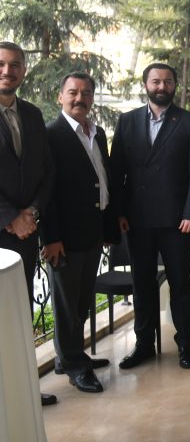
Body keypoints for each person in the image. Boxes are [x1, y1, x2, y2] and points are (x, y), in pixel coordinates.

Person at [110, 63, 190, 370]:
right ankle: (143, 345)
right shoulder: (127, 121)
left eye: (167, 81)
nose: (161, 86)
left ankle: (185, 344)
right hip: (137, 220)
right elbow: (116, 172)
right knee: (142, 284)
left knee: (180, 283)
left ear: (174, 86)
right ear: (146, 85)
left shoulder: (189, 121)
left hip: (177, 221)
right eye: (156, 81)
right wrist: (120, 212)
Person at [43, 73, 119, 393]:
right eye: (73, 92)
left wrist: (108, 227)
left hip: (92, 233)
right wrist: (51, 238)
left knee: (81, 301)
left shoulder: (96, 133)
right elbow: (46, 191)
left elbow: (102, 180)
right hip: (64, 238)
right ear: (60, 96)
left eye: (86, 93)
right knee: (66, 305)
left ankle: (69, 356)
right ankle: (75, 366)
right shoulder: (51, 135)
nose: (80, 98)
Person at [0, 41, 56, 405]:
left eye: (15, 64)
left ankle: (22, 399)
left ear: (23, 70)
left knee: (19, 318)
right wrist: (10, 217)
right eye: (1, 64)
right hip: (2, 230)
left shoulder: (33, 114)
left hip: (26, 234)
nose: (8, 71)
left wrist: (32, 213)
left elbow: (47, 171)